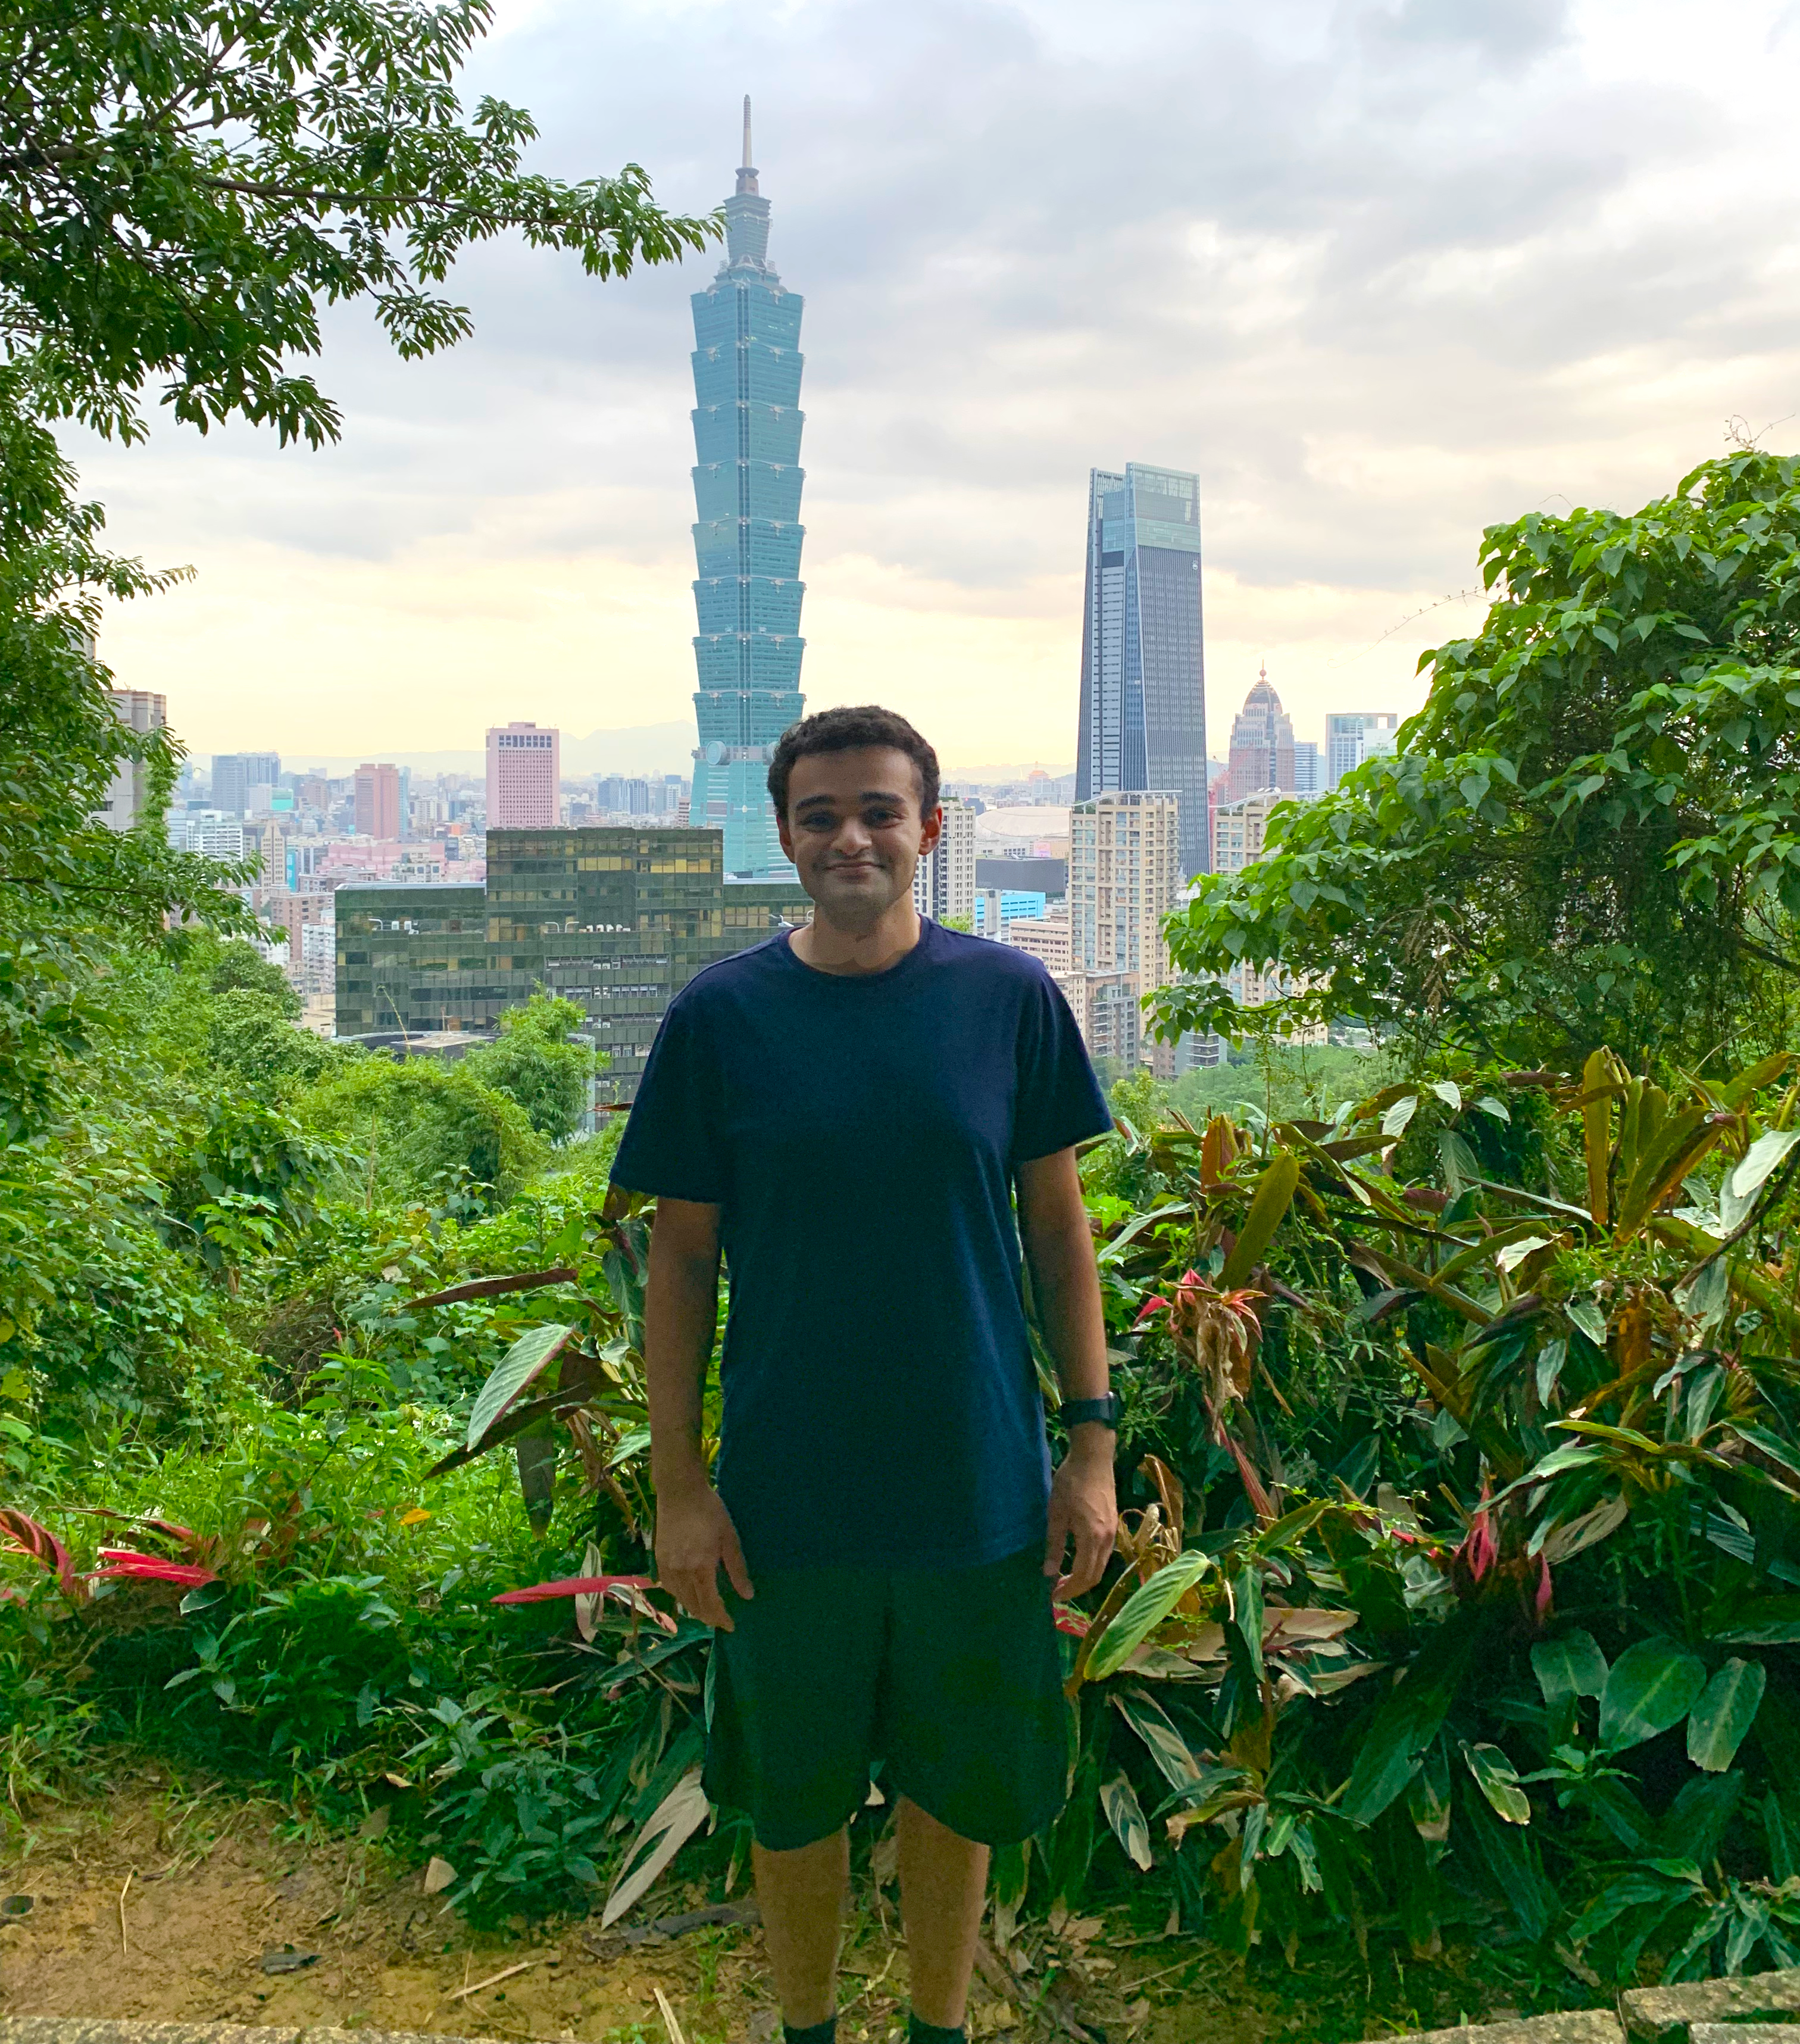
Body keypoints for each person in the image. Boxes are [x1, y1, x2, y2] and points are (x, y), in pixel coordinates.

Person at [610, 705, 1118, 2044]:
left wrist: (1093, 1447)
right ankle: (808, 2032)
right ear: (786, 838)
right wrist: (679, 1484)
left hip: (976, 1484)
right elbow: (679, 1266)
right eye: (823, 815)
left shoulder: (1008, 1002)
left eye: (880, 811)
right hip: (786, 1494)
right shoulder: (721, 1019)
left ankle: (938, 2028)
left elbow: (1062, 1240)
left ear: (929, 831)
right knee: (796, 1797)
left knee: (956, 1791)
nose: (853, 836)